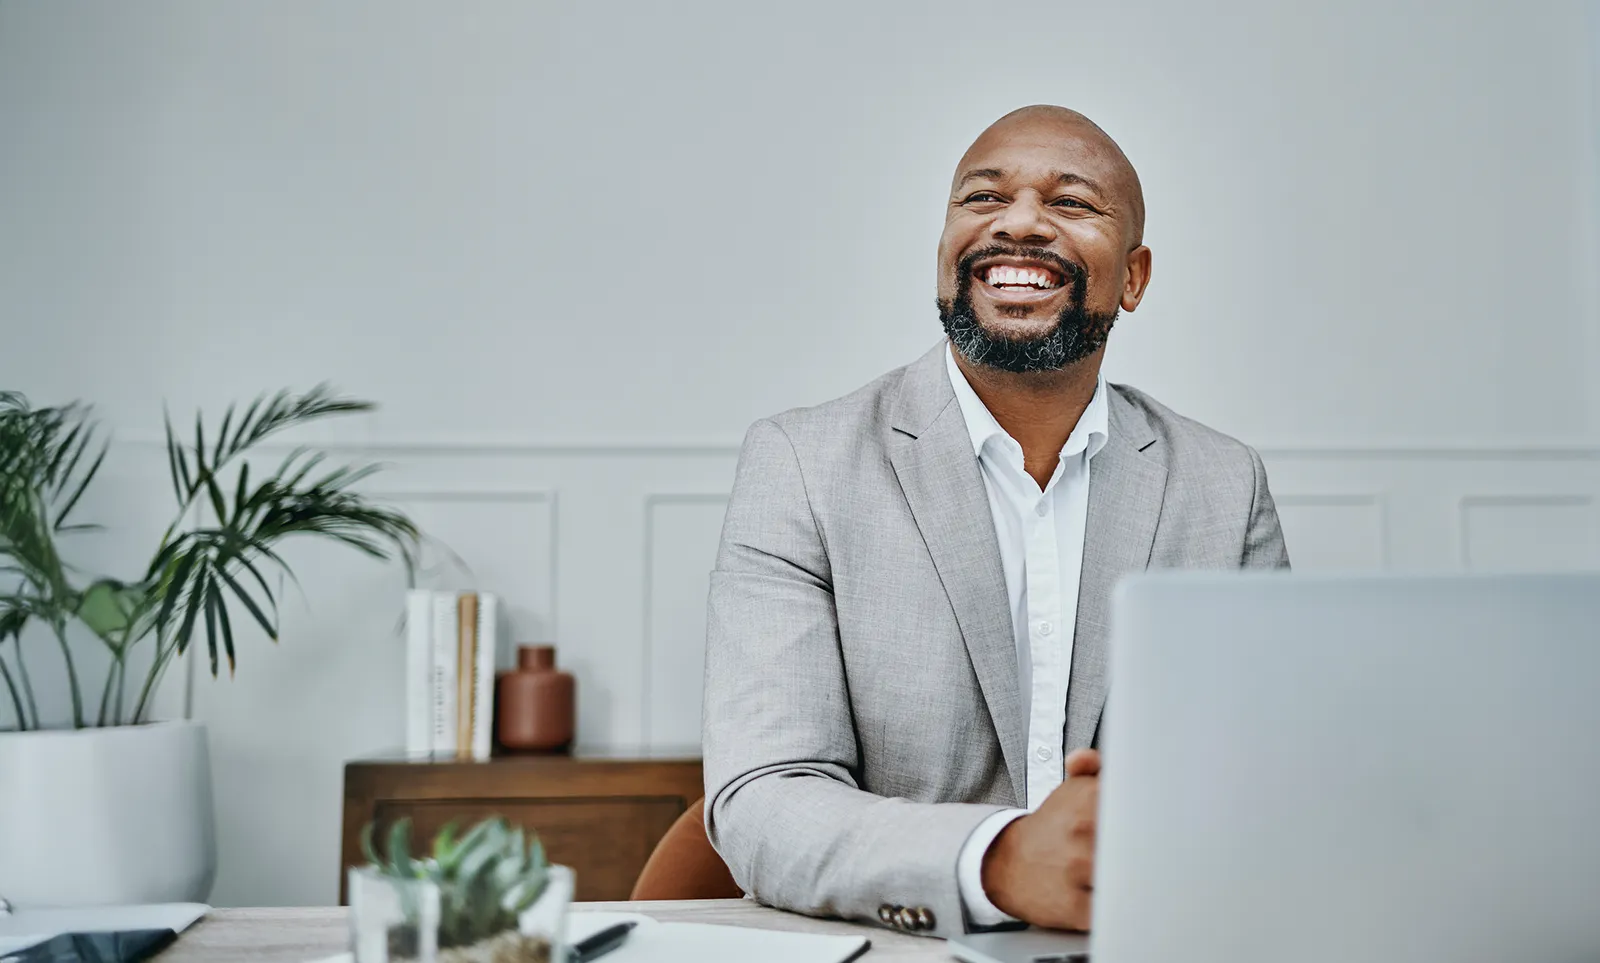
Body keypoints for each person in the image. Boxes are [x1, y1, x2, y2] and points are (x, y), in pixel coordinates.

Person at [701, 104, 1290, 938]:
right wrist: (1000, 860)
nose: (1018, 223)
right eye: (982, 199)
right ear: (946, 254)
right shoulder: (802, 464)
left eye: (1073, 203)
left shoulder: (1225, 486)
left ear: (1134, 275)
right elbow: (762, 799)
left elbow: (1269, 776)